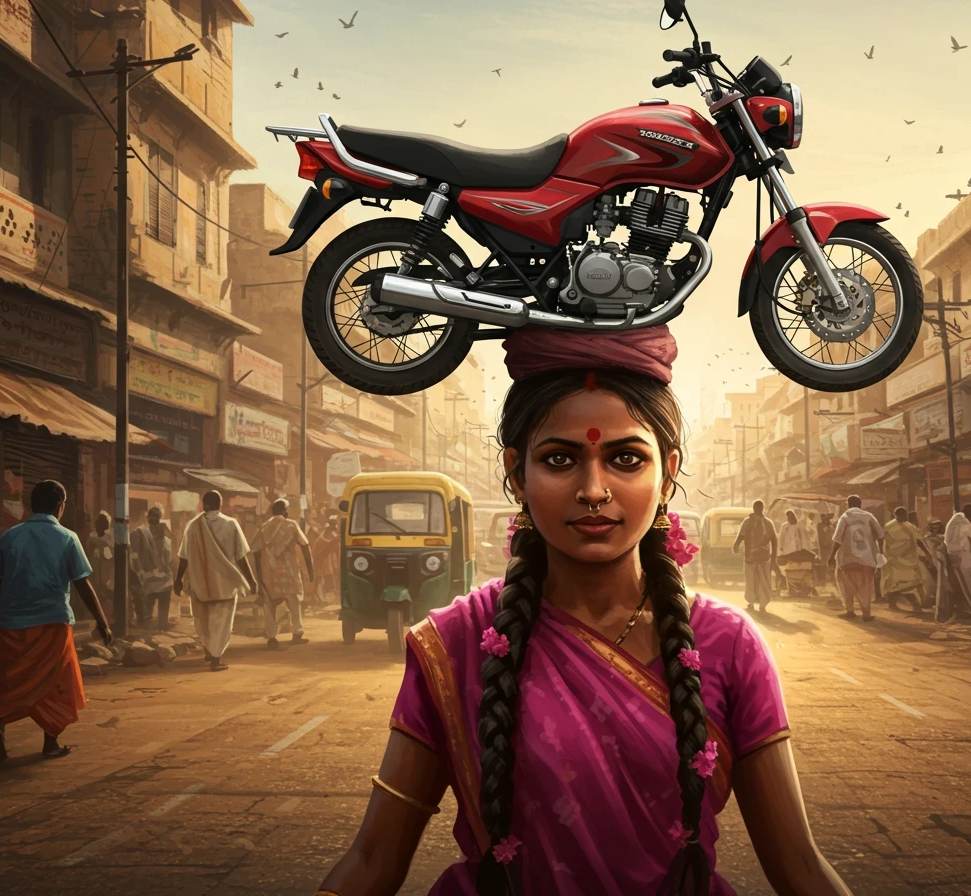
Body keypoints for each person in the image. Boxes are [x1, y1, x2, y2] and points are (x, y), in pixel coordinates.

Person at [317, 326, 852, 896]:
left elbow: (799, 866)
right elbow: (372, 862)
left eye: (625, 458)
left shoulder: (729, 645)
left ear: (668, 473)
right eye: (560, 459)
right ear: (516, 473)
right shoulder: (455, 641)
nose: (593, 489)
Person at [0, 480, 112, 762]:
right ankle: (50, 742)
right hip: (53, 623)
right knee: (57, 684)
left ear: (31, 506)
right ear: (60, 507)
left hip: (11, 622)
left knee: (7, 679)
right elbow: (83, 585)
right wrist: (102, 621)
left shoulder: (10, 536)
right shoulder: (67, 537)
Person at [173, 491, 256, 672]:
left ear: (203, 505)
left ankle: (209, 651)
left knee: (202, 620)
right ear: (220, 504)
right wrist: (251, 580)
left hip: (199, 582)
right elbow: (241, 556)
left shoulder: (193, 526)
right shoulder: (231, 524)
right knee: (222, 621)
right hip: (224, 582)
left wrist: (178, 579)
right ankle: (216, 658)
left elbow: (184, 557)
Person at [254, 498, 315, 648]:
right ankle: (297, 632)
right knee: (294, 602)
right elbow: (305, 546)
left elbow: (255, 552)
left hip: (269, 574)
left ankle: (272, 637)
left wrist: (259, 575)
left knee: (269, 605)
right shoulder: (291, 525)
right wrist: (311, 570)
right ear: (284, 511)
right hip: (289, 572)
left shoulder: (264, 527)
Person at [828, 495, 884, 622]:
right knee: (866, 585)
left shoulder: (845, 517)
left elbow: (837, 539)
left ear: (848, 504)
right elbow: (881, 535)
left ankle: (850, 610)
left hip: (847, 559)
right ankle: (866, 613)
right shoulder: (869, 516)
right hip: (867, 559)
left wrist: (832, 556)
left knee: (846, 585)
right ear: (860, 504)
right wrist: (880, 553)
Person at [881, 507, 933, 613]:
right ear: (896, 515)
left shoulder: (910, 527)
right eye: (900, 516)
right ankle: (896, 605)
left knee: (911, 582)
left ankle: (918, 604)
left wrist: (927, 552)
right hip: (894, 561)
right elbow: (885, 542)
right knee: (895, 584)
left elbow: (918, 541)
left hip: (908, 561)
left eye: (904, 515)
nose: (903, 517)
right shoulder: (889, 526)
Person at [132, 505, 175, 630]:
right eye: (152, 517)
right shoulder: (140, 532)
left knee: (162, 605)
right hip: (149, 577)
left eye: (157, 517)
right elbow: (134, 556)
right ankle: (149, 627)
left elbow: (172, 547)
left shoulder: (164, 532)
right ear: (147, 518)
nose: (154, 520)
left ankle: (161, 625)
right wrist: (141, 573)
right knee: (148, 609)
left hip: (163, 577)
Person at [943, 504, 971, 621]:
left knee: (960, 584)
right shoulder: (965, 526)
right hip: (964, 558)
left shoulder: (954, 522)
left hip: (953, 557)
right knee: (968, 585)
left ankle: (964, 609)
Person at [84, 511, 114, 615]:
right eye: (99, 522)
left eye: (103, 522)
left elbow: (110, 555)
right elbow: (88, 551)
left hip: (106, 567)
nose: (99, 525)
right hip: (94, 565)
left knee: (105, 588)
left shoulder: (109, 538)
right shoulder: (92, 536)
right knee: (95, 587)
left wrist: (104, 545)